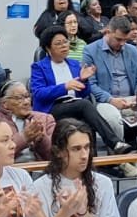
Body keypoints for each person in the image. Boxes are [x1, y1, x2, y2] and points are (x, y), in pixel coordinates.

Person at [31, 25, 131, 153]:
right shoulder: (39, 67)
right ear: (48, 48)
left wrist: (83, 80)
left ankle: (92, 162)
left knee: (86, 119)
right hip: (52, 108)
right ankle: (115, 142)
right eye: (58, 43)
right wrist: (64, 87)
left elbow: (84, 93)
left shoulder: (74, 64)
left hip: (75, 106)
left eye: (65, 42)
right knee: (84, 105)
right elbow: (38, 93)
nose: (64, 46)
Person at [81, 16, 137, 145]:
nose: (121, 44)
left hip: (131, 99)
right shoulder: (90, 51)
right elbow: (91, 85)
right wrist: (111, 100)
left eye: (125, 40)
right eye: (118, 39)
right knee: (113, 118)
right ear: (108, 32)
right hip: (105, 101)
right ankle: (119, 155)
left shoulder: (132, 51)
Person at [0, 80, 56, 162]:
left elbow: (56, 157)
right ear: (5, 104)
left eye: (27, 96)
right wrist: (24, 138)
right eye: (19, 98)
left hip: (41, 171)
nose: (26, 102)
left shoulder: (45, 119)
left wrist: (42, 140)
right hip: (4, 171)